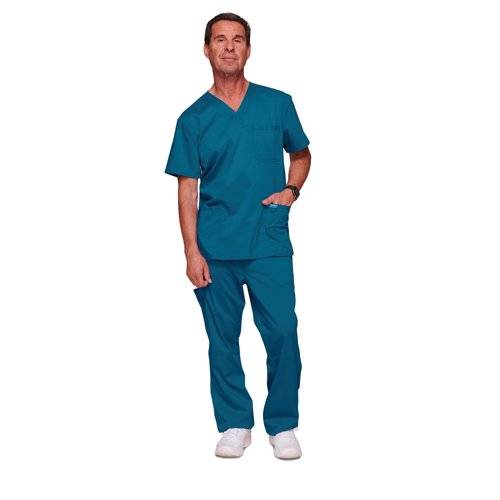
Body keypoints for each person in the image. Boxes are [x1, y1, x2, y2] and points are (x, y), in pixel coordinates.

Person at [164, 12, 311, 460]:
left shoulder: (277, 104)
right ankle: (234, 423)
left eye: (238, 39)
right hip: (216, 246)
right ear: (206, 49)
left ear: (248, 49)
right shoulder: (193, 119)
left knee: (282, 332)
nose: (229, 47)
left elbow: (301, 154)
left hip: (268, 241)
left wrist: (291, 190)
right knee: (222, 338)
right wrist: (191, 251)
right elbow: (187, 189)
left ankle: (282, 424)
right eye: (220, 39)